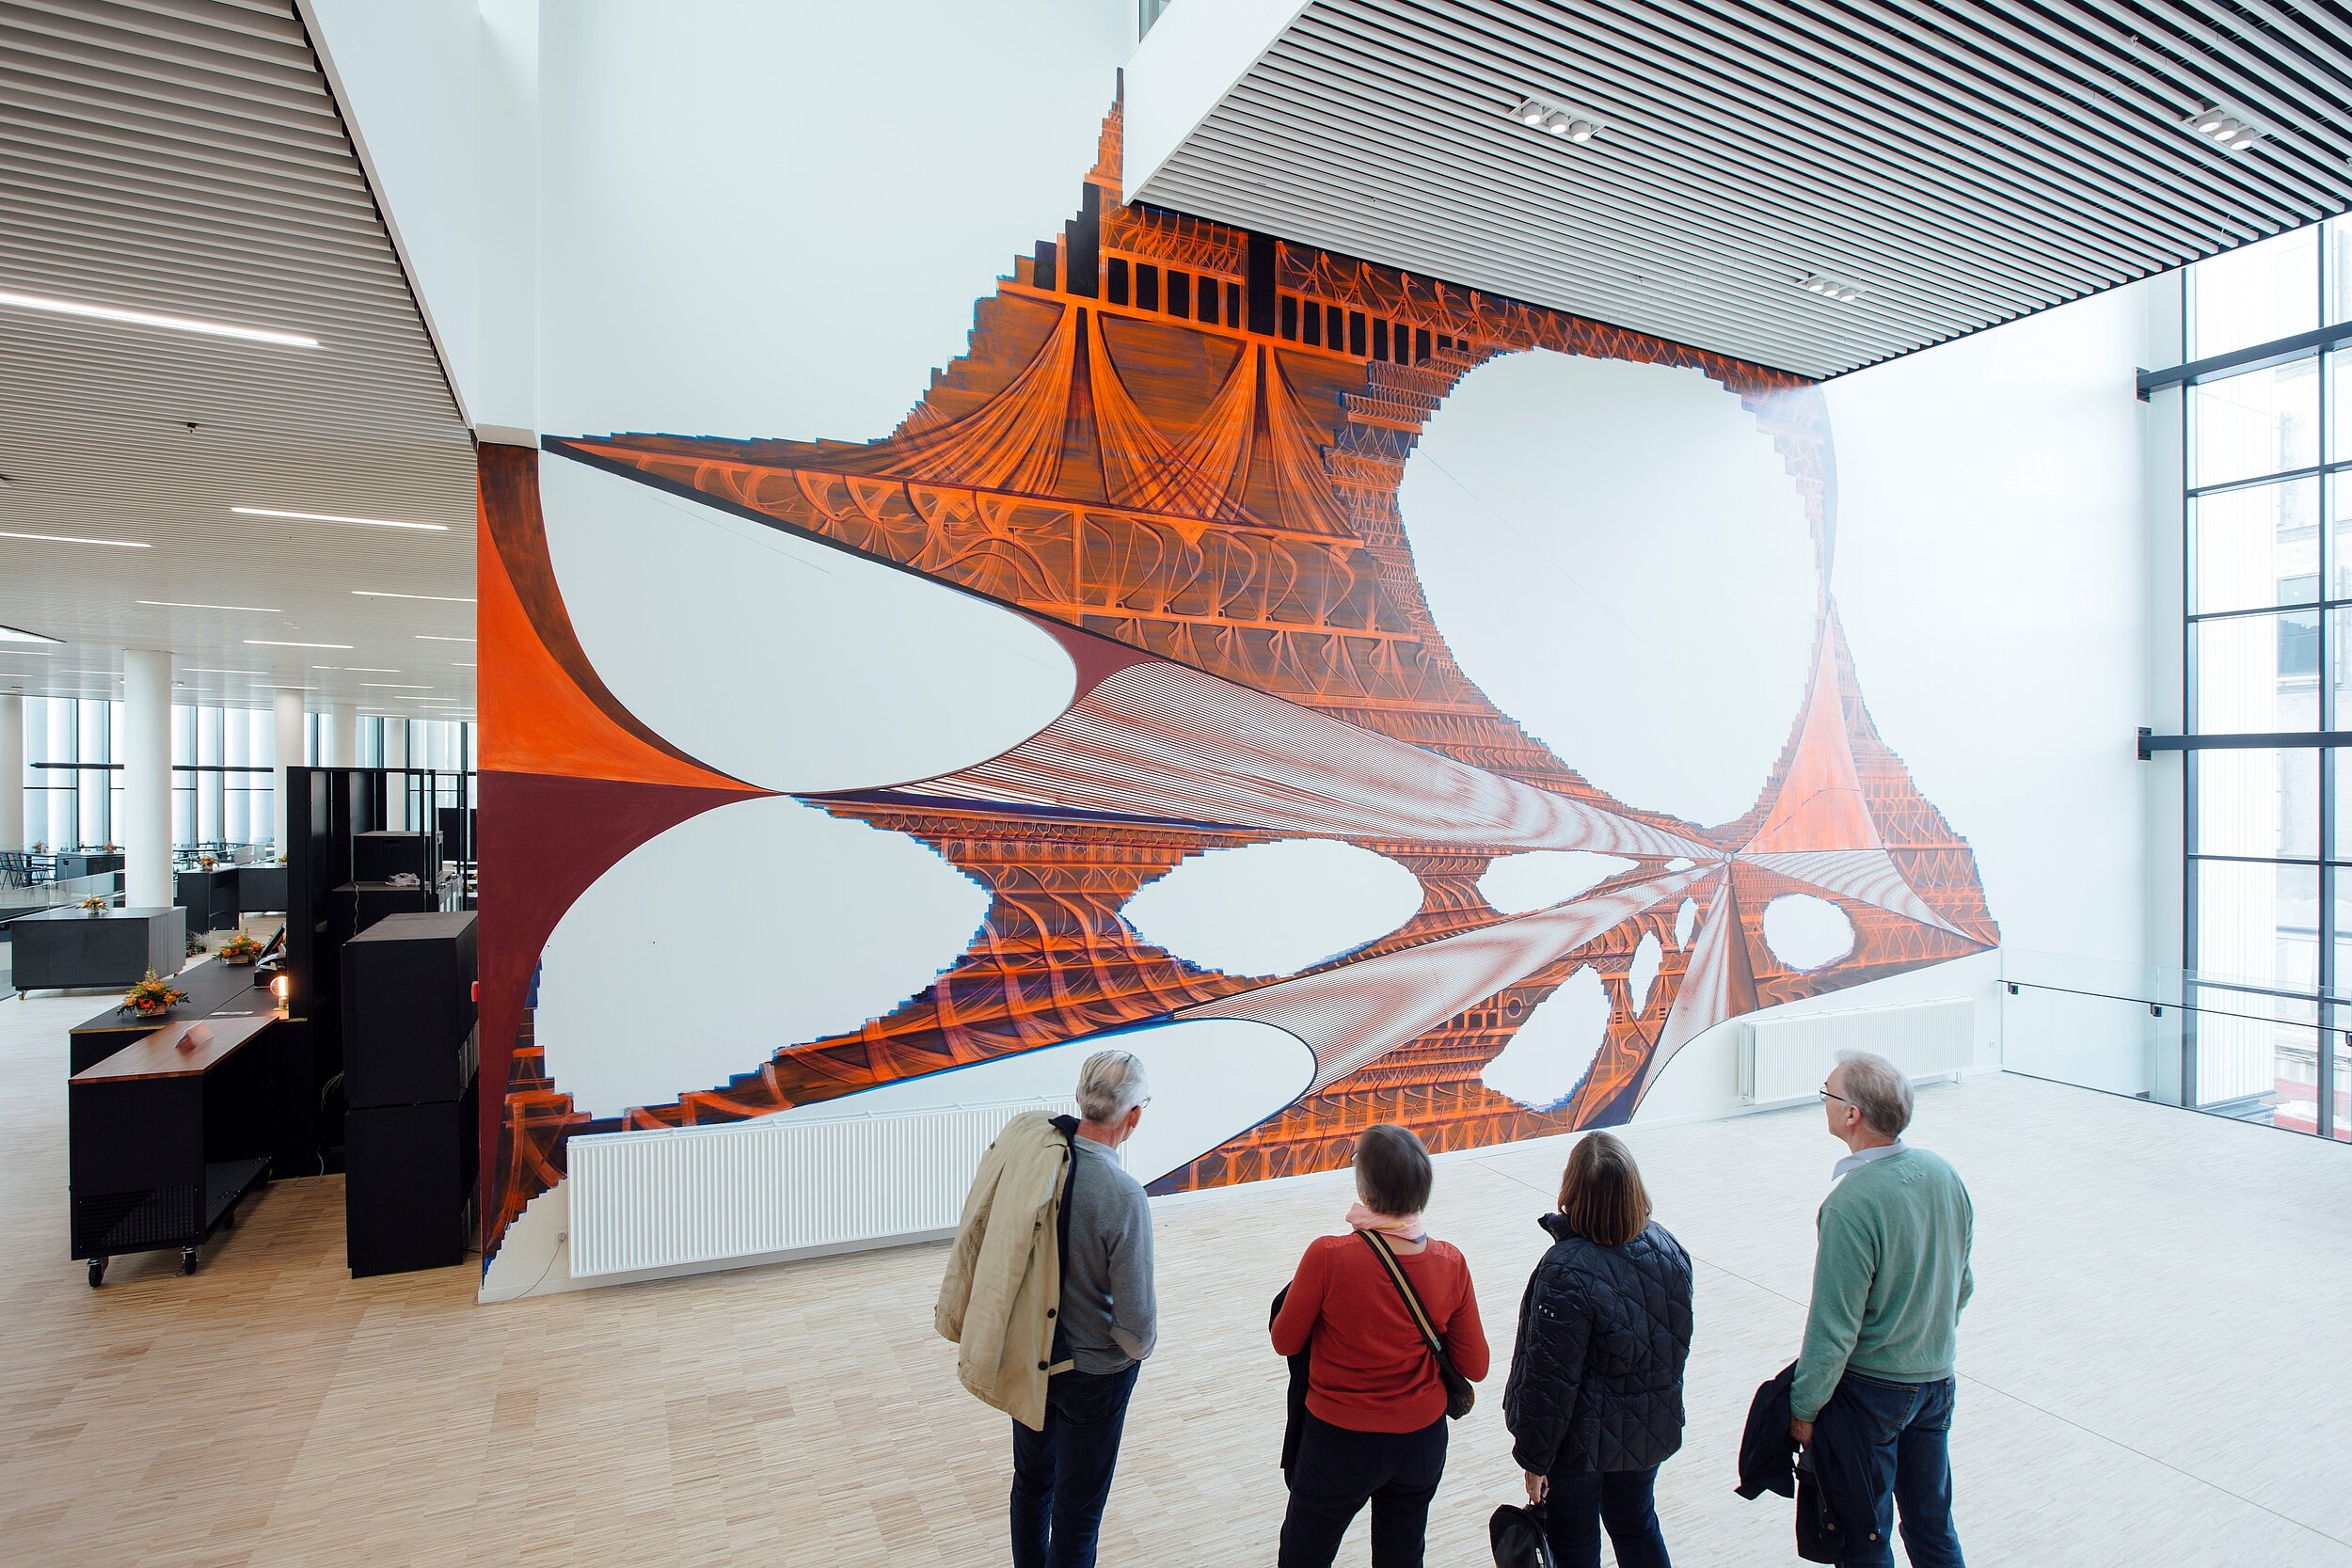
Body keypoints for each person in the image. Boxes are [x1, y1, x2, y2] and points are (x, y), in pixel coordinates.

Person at [935, 1050, 1158, 1568]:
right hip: (1094, 1376)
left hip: (1030, 1356)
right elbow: (1137, 1328)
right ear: (1133, 1116)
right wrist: (1133, 1351)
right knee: (1077, 1517)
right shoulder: (1123, 1195)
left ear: (1080, 1098)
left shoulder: (1036, 1156)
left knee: (1032, 1484)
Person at [1270, 1123, 1489, 1568]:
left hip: (1339, 1443)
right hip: (1421, 1443)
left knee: (1304, 1555)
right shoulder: (1451, 1262)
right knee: (1402, 1556)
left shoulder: (1328, 1256)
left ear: (1364, 1190)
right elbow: (1476, 1366)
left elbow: (1284, 1340)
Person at [1789, 1050, 1975, 1568]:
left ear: (1852, 1114)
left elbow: (1834, 1327)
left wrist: (1803, 1408)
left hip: (1871, 1396)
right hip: (1936, 1381)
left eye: (1827, 1093)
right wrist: (1925, 1340)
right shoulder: (1943, 1174)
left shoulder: (1850, 1204)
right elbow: (1962, 1284)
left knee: (1864, 1536)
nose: (1823, 1102)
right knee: (1932, 1525)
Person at [1503, 1131, 1693, 1568]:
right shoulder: (1669, 1249)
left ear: (1572, 1192)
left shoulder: (1564, 1271)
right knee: (1637, 1525)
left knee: (1575, 1548)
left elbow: (1548, 1382)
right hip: (1645, 1435)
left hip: (1577, 1450)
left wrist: (1535, 1459)